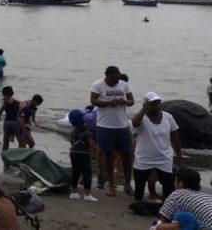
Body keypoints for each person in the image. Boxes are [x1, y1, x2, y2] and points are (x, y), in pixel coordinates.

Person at [90, 65, 135, 197]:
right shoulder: (98, 85)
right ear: (107, 76)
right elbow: (93, 101)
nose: (116, 80)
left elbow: (132, 101)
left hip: (122, 126)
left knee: (127, 155)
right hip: (105, 126)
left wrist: (124, 101)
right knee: (108, 156)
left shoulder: (124, 85)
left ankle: (127, 184)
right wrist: (110, 102)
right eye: (113, 78)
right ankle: (110, 184)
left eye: (117, 78)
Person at [132, 92, 182, 202]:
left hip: (164, 158)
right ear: (146, 104)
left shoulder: (168, 117)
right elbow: (134, 123)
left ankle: (166, 207)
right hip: (144, 159)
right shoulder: (142, 118)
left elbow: (175, 138)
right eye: (153, 103)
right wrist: (143, 110)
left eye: (158, 103)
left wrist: (179, 158)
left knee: (168, 187)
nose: (157, 106)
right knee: (139, 188)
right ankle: (139, 204)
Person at [67, 109, 98, 202]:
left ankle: (74, 193)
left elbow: (71, 141)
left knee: (75, 172)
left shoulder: (73, 131)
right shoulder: (85, 130)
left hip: (73, 152)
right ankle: (87, 194)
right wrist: (94, 150)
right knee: (87, 173)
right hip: (83, 153)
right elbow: (91, 143)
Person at [0, 86, 21, 151]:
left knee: (5, 141)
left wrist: (0, 118)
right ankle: (20, 151)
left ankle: (5, 152)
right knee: (20, 140)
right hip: (15, 123)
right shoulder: (18, 103)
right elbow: (20, 114)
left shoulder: (5, 103)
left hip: (7, 122)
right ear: (12, 93)